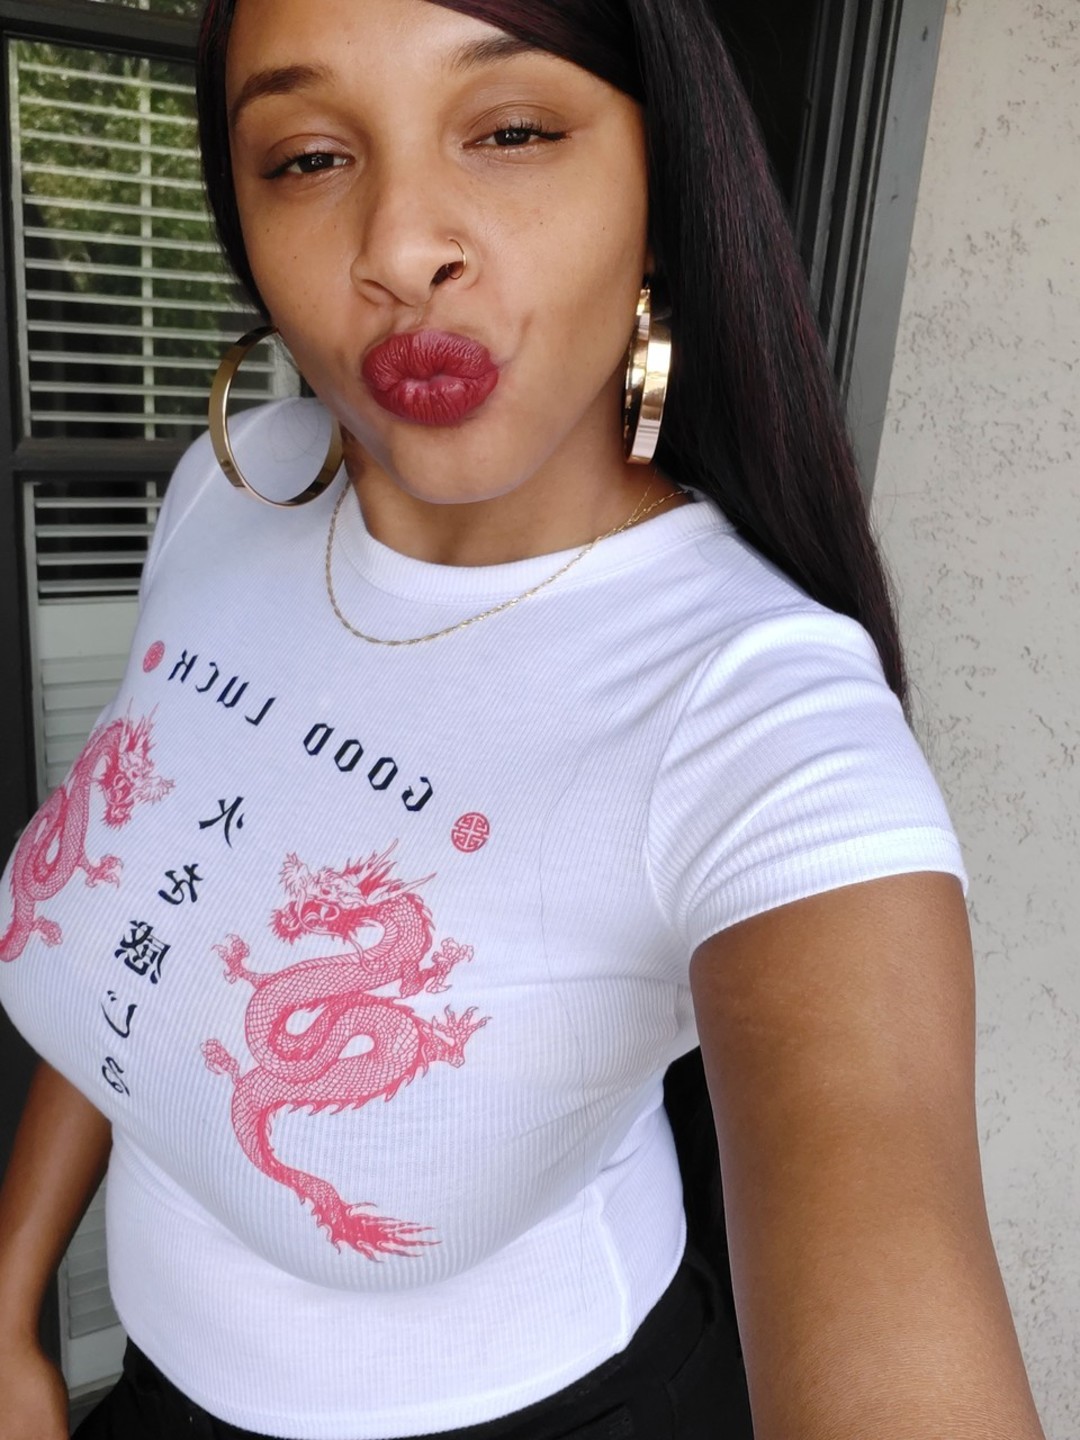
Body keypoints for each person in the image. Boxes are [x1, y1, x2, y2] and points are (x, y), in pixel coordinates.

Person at [0, 1, 1047, 1437]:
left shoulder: (755, 716)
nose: (398, 247)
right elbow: (140, 906)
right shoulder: (233, 488)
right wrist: (11, 1295)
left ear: (662, 188)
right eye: (307, 158)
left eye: (509, 131)